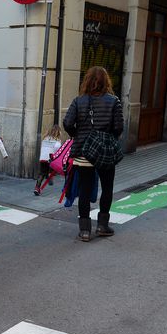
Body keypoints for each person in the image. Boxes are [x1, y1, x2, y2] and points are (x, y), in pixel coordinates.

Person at [63, 66, 124, 242]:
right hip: (105, 151)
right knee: (107, 187)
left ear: (87, 81)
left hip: (83, 151)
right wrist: (107, 139)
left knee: (84, 189)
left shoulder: (78, 101)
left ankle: (84, 231)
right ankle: (103, 226)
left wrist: (78, 135)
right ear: (106, 82)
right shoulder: (114, 101)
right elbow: (119, 127)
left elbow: (67, 123)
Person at [34, 124, 63, 196]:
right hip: (50, 159)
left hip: (43, 158)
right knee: (52, 167)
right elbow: (57, 151)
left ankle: (37, 188)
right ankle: (50, 175)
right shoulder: (57, 141)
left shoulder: (45, 138)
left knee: (41, 173)